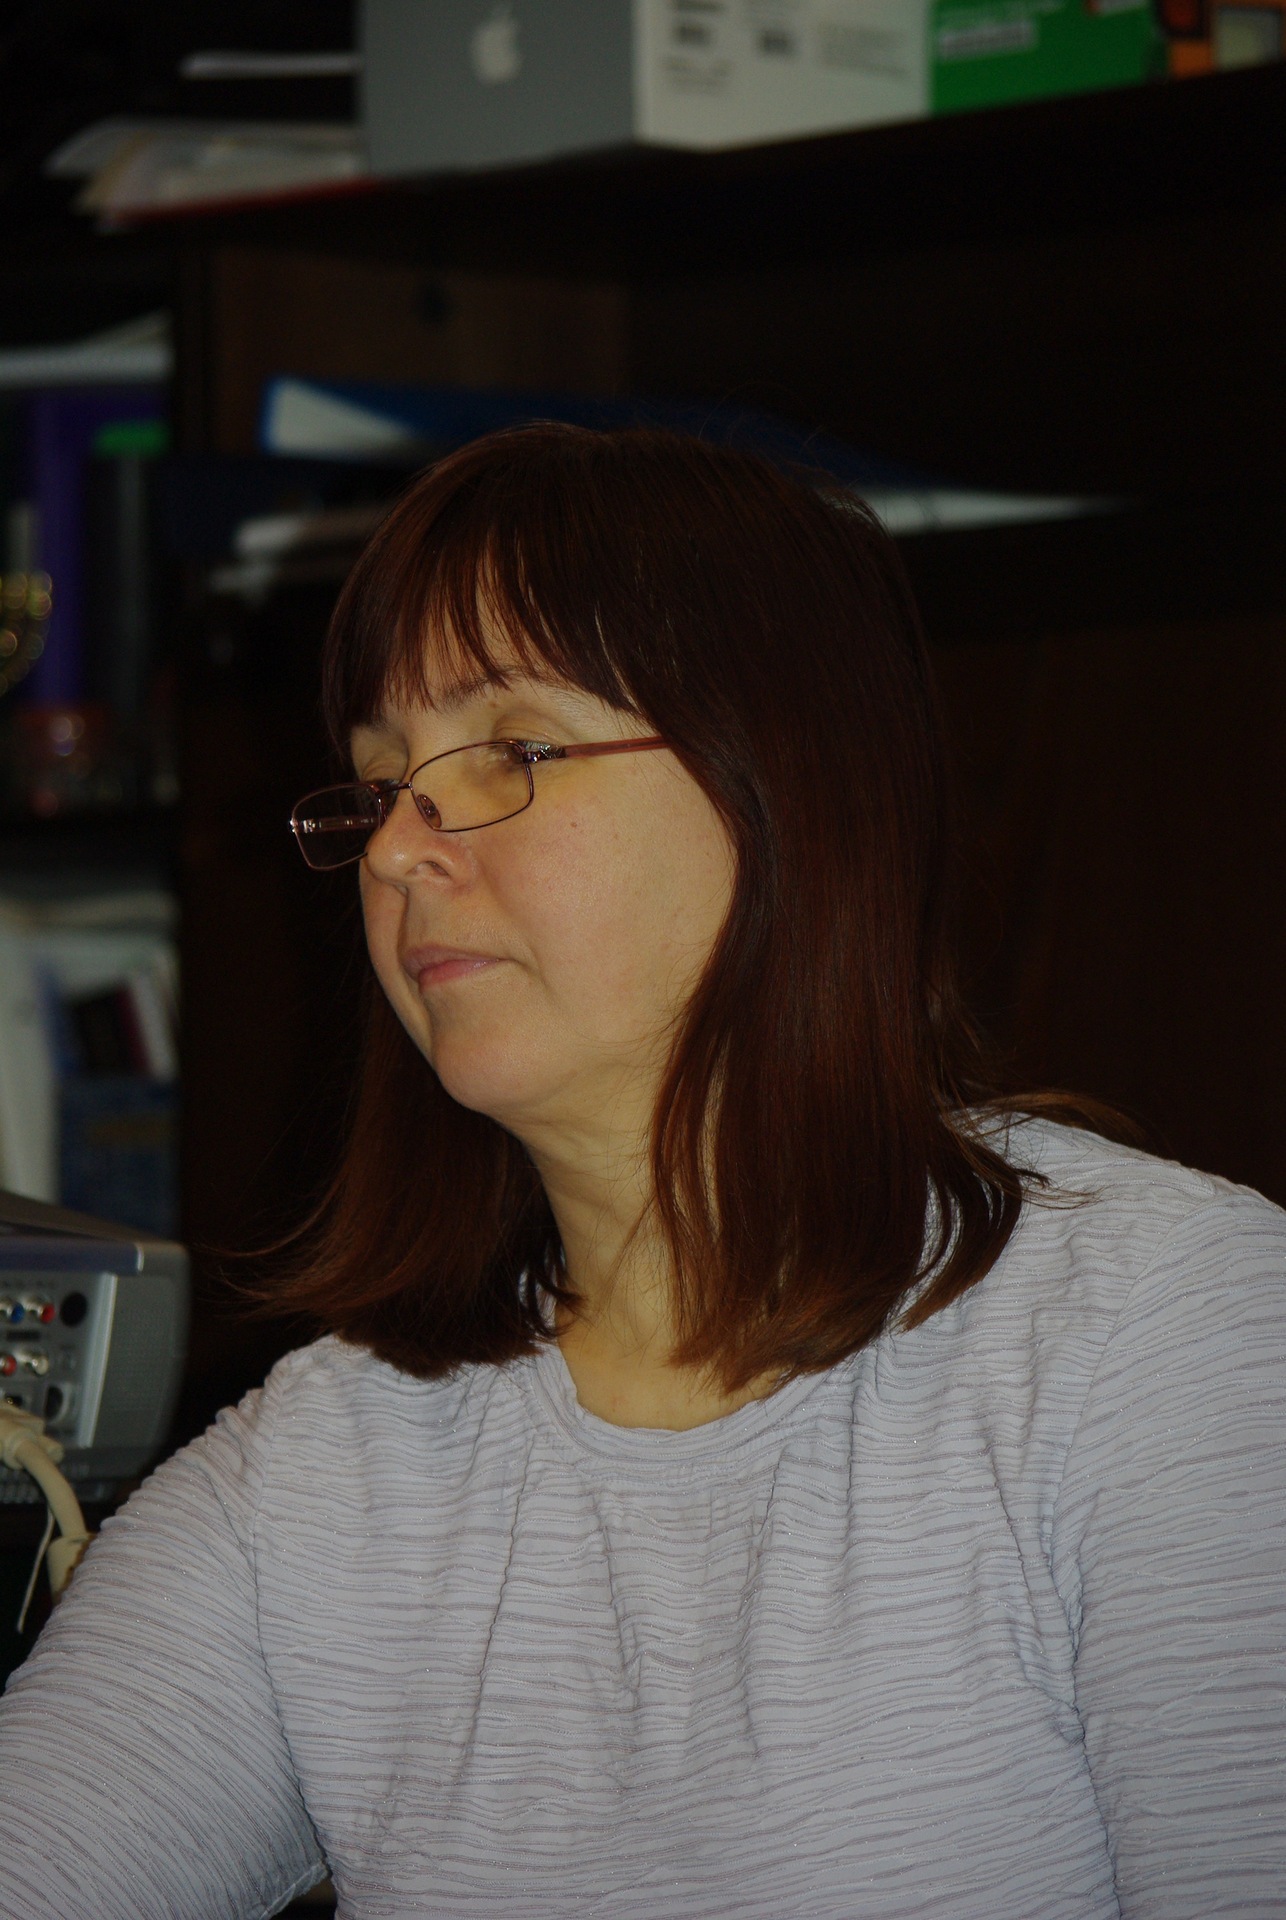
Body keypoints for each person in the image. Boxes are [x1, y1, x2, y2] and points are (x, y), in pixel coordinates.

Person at [0, 425, 1283, 1920]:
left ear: (785, 788)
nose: (399, 850)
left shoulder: (1165, 1330)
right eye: (378, 781)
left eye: (514, 752)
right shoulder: (324, 1463)